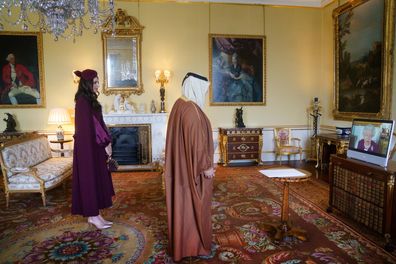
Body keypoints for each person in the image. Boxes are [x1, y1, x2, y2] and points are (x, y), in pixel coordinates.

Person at [164, 72, 215, 262]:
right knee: (194, 205)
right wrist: (206, 167)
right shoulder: (192, 111)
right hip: (193, 170)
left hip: (183, 168)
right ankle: (196, 245)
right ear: (196, 87)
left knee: (183, 204)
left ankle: (182, 244)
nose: (205, 94)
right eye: (204, 90)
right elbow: (197, 144)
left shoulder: (180, 104)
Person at [72, 69, 115, 229]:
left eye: (98, 81)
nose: (98, 85)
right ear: (88, 84)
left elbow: (99, 123)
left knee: (95, 177)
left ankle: (95, 215)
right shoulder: (83, 101)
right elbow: (94, 126)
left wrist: (106, 142)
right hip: (88, 148)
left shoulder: (89, 100)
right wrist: (106, 143)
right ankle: (93, 215)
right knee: (89, 179)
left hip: (94, 146)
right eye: (95, 82)